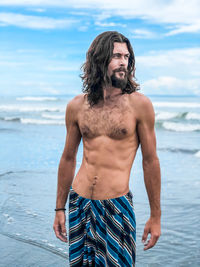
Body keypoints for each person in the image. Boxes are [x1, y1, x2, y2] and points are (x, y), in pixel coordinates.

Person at [53, 31, 161, 266]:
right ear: (99, 60)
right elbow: (68, 158)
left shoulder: (139, 106)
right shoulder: (77, 106)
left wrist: (155, 216)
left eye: (126, 57)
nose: (123, 62)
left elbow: (150, 161)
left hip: (116, 206)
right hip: (79, 203)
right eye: (116, 56)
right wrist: (59, 208)